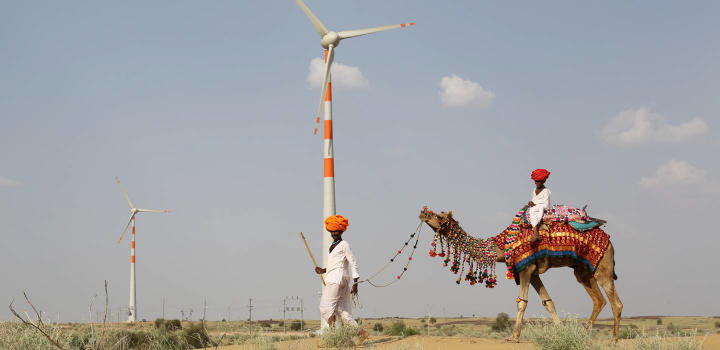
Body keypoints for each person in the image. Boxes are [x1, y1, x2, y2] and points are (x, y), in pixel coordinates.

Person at [315, 215, 369, 343]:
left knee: (326, 308)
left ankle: (333, 337)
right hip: (338, 278)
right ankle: (361, 333)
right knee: (342, 311)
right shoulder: (333, 245)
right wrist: (323, 270)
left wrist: (356, 283)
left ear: (342, 231)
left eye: (336, 231)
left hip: (336, 280)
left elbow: (353, 262)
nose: (334, 233)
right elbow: (336, 264)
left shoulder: (344, 244)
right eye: (332, 231)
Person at [528, 169, 551, 242]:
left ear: (543, 181)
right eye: (535, 181)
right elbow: (534, 199)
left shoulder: (546, 191)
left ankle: (536, 233)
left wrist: (535, 205)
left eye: (538, 181)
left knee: (533, 210)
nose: (536, 183)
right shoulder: (534, 190)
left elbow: (546, 205)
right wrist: (531, 203)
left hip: (541, 207)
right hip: (534, 206)